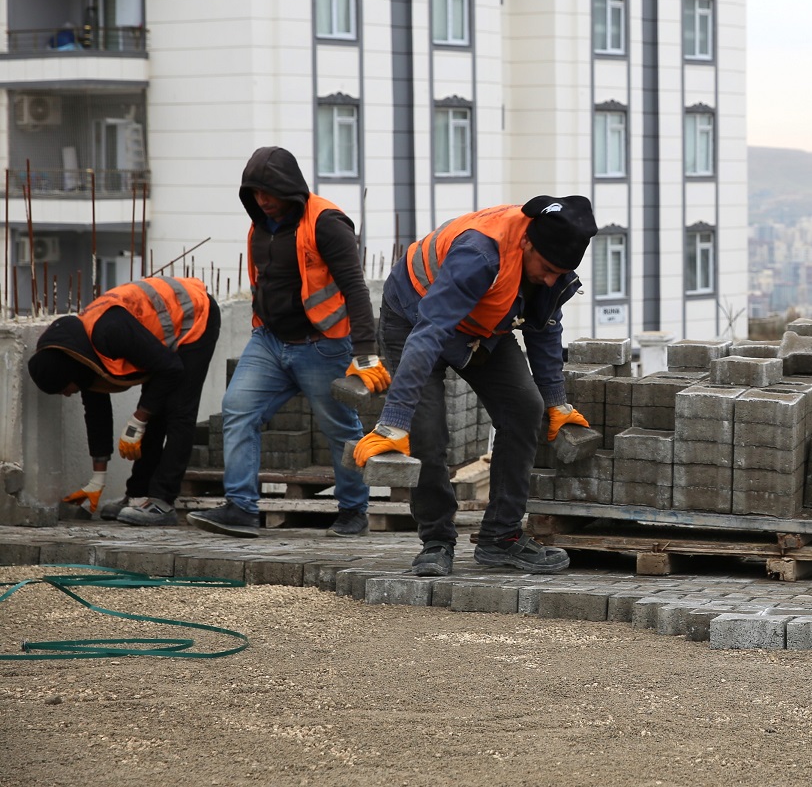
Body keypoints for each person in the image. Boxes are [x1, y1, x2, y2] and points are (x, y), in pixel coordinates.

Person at [352, 196, 596, 577]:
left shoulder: (550, 264)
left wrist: (557, 402)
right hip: (415, 317)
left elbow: (544, 327)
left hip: (478, 327)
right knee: (426, 431)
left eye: (560, 273)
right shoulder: (480, 255)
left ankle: (501, 536)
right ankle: (436, 540)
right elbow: (429, 333)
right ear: (527, 242)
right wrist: (394, 421)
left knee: (525, 407)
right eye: (548, 269)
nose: (551, 279)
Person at [190, 147, 386, 539]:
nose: (262, 199)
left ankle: (354, 511)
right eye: (255, 192)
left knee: (340, 430)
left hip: (322, 345)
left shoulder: (327, 223)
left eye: (269, 192)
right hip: (270, 341)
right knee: (237, 409)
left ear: (289, 187)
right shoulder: (260, 225)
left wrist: (365, 352)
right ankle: (241, 508)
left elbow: (355, 288)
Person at [28, 275, 222, 526]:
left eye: (64, 389)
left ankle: (162, 501)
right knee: (154, 410)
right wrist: (97, 480)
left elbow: (171, 369)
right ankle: (138, 494)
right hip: (163, 345)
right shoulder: (81, 357)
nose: (66, 394)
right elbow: (97, 416)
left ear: (67, 374)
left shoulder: (110, 331)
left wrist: (138, 418)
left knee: (178, 411)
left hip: (195, 315)